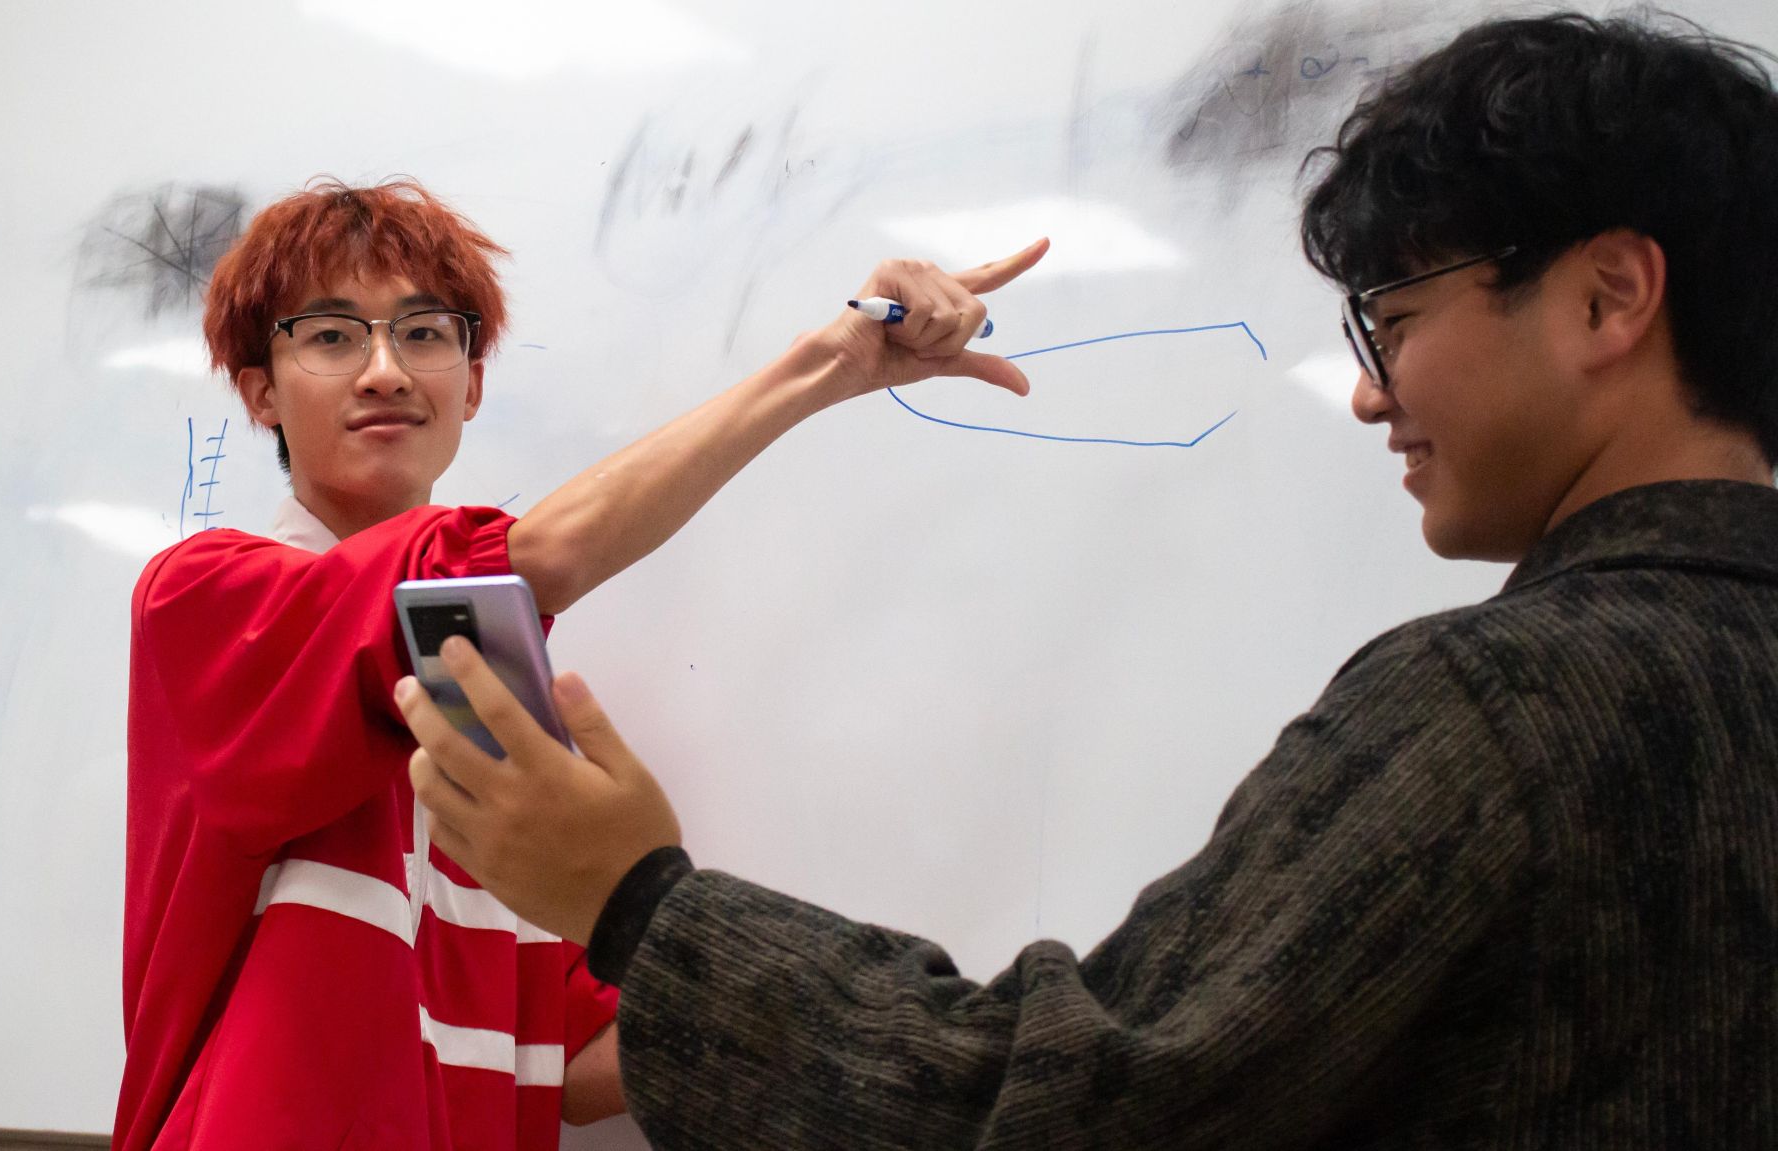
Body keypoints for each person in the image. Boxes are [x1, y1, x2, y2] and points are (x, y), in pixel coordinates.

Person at [394, 13, 1778, 1149]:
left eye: (1394, 319)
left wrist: (642, 902)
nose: (1368, 392)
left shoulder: (1494, 706)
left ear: (1607, 297)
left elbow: (1065, 1111)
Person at [113, 177, 1047, 1150]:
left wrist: (948, 1042)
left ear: (471, 383)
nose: (384, 371)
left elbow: (581, 1049)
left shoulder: (495, 703)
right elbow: (539, 558)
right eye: (332, 336)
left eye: (424, 332)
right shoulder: (205, 601)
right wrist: (833, 358)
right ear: (260, 389)